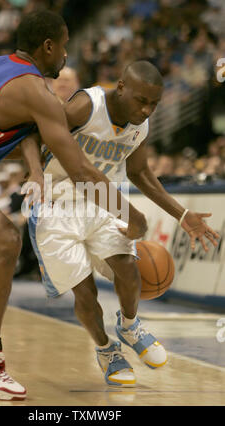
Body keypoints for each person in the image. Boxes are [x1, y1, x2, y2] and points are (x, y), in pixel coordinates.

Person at [0, 11, 147, 400]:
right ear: (48, 46)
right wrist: (134, 216)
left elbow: (21, 128)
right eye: (63, 47)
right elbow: (80, 170)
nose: (65, 56)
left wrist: (34, 170)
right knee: (4, 241)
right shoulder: (35, 90)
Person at [21, 60, 220, 387]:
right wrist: (36, 170)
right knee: (85, 293)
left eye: (154, 103)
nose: (147, 109)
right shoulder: (87, 105)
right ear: (122, 87)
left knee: (129, 269)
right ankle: (105, 349)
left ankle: (129, 326)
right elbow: (31, 130)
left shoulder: (138, 125)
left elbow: (139, 173)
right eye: (142, 100)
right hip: (54, 206)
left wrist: (182, 215)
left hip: (101, 204)